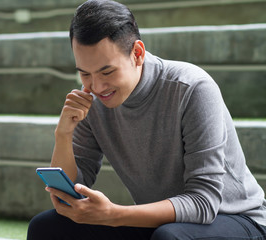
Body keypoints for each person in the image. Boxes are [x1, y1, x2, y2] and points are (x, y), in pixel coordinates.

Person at [27, 0, 266, 239]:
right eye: (84, 73)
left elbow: (203, 203)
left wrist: (114, 214)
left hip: (238, 219)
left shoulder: (192, 88)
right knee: (46, 226)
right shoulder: (91, 99)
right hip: (163, 223)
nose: (97, 86)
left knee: (169, 237)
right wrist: (63, 134)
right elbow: (71, 190)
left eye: (107, 72)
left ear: (137, 53)